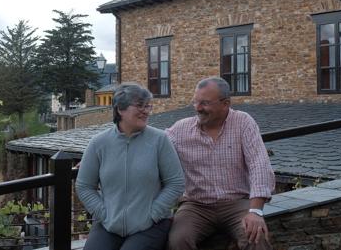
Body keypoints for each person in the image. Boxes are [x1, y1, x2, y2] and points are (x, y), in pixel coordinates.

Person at [166, 77, 275, 250]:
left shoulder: (243, 122)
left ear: (225, 103)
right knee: (177, 241)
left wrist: (255, 211)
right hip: (196, 206)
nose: (198, 108)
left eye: (205, 103)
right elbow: (155, 149)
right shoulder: (180, 129)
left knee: (256, 238)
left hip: (237, 203)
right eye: (195, 102)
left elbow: (259, 164)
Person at [76, 83, 185, 250]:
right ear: (120, 109)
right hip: (109, 224)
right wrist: (103, 214)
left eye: (148, 106)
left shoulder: (160, 140)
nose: (146, 111)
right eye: (139, 106)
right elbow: (84, 186)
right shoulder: (98, 143)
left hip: (151, 225)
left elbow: (176, 183)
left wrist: (153, 214)